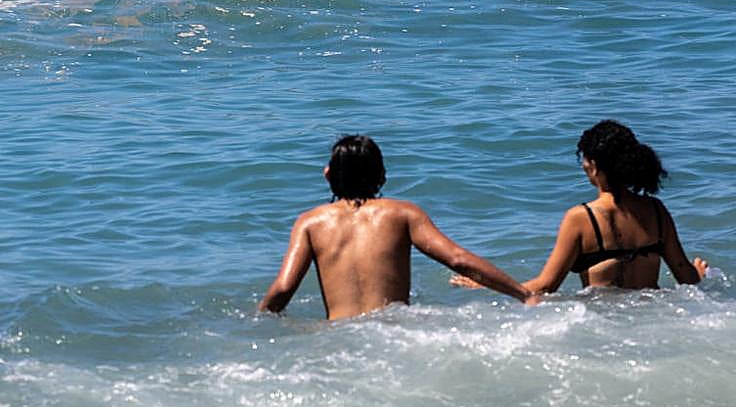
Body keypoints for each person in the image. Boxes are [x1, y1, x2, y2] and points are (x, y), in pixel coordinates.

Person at [259, 135, 536, 320]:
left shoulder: (310, 222)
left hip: (339, 336)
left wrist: (255, 324)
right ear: (382, 175)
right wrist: (523, 294)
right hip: (393, 331)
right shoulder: (403, 214)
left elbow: (283, 289)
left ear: (328, 174)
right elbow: (458, 260)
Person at [452, 119, 708, 295]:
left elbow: (546, 286)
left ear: (594, 166)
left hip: (603, 322)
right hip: (652, 317)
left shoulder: (581, 218)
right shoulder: (656, 211)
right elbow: (686, 277)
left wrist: (488, 286)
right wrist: (696, 273)